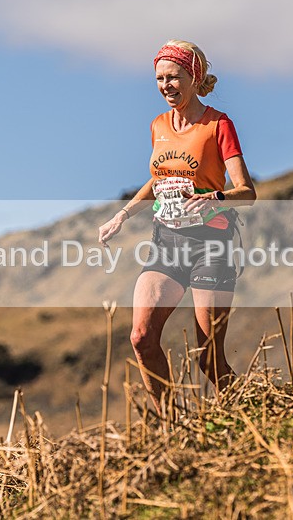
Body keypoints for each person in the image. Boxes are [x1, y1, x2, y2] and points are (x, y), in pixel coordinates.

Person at [98, 39, 256, 411]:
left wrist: (215, 198)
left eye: (174, 77)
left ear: (194, 76)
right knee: (141, 338)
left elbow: (247, 192)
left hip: (212, 245)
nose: (166, 85)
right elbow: (159, 178)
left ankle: (250, 416)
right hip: (167, 243)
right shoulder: (158, 126)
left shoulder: (219, 124)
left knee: (209, 360)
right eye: (159, 78)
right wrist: (123, 215)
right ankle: (172, 425)